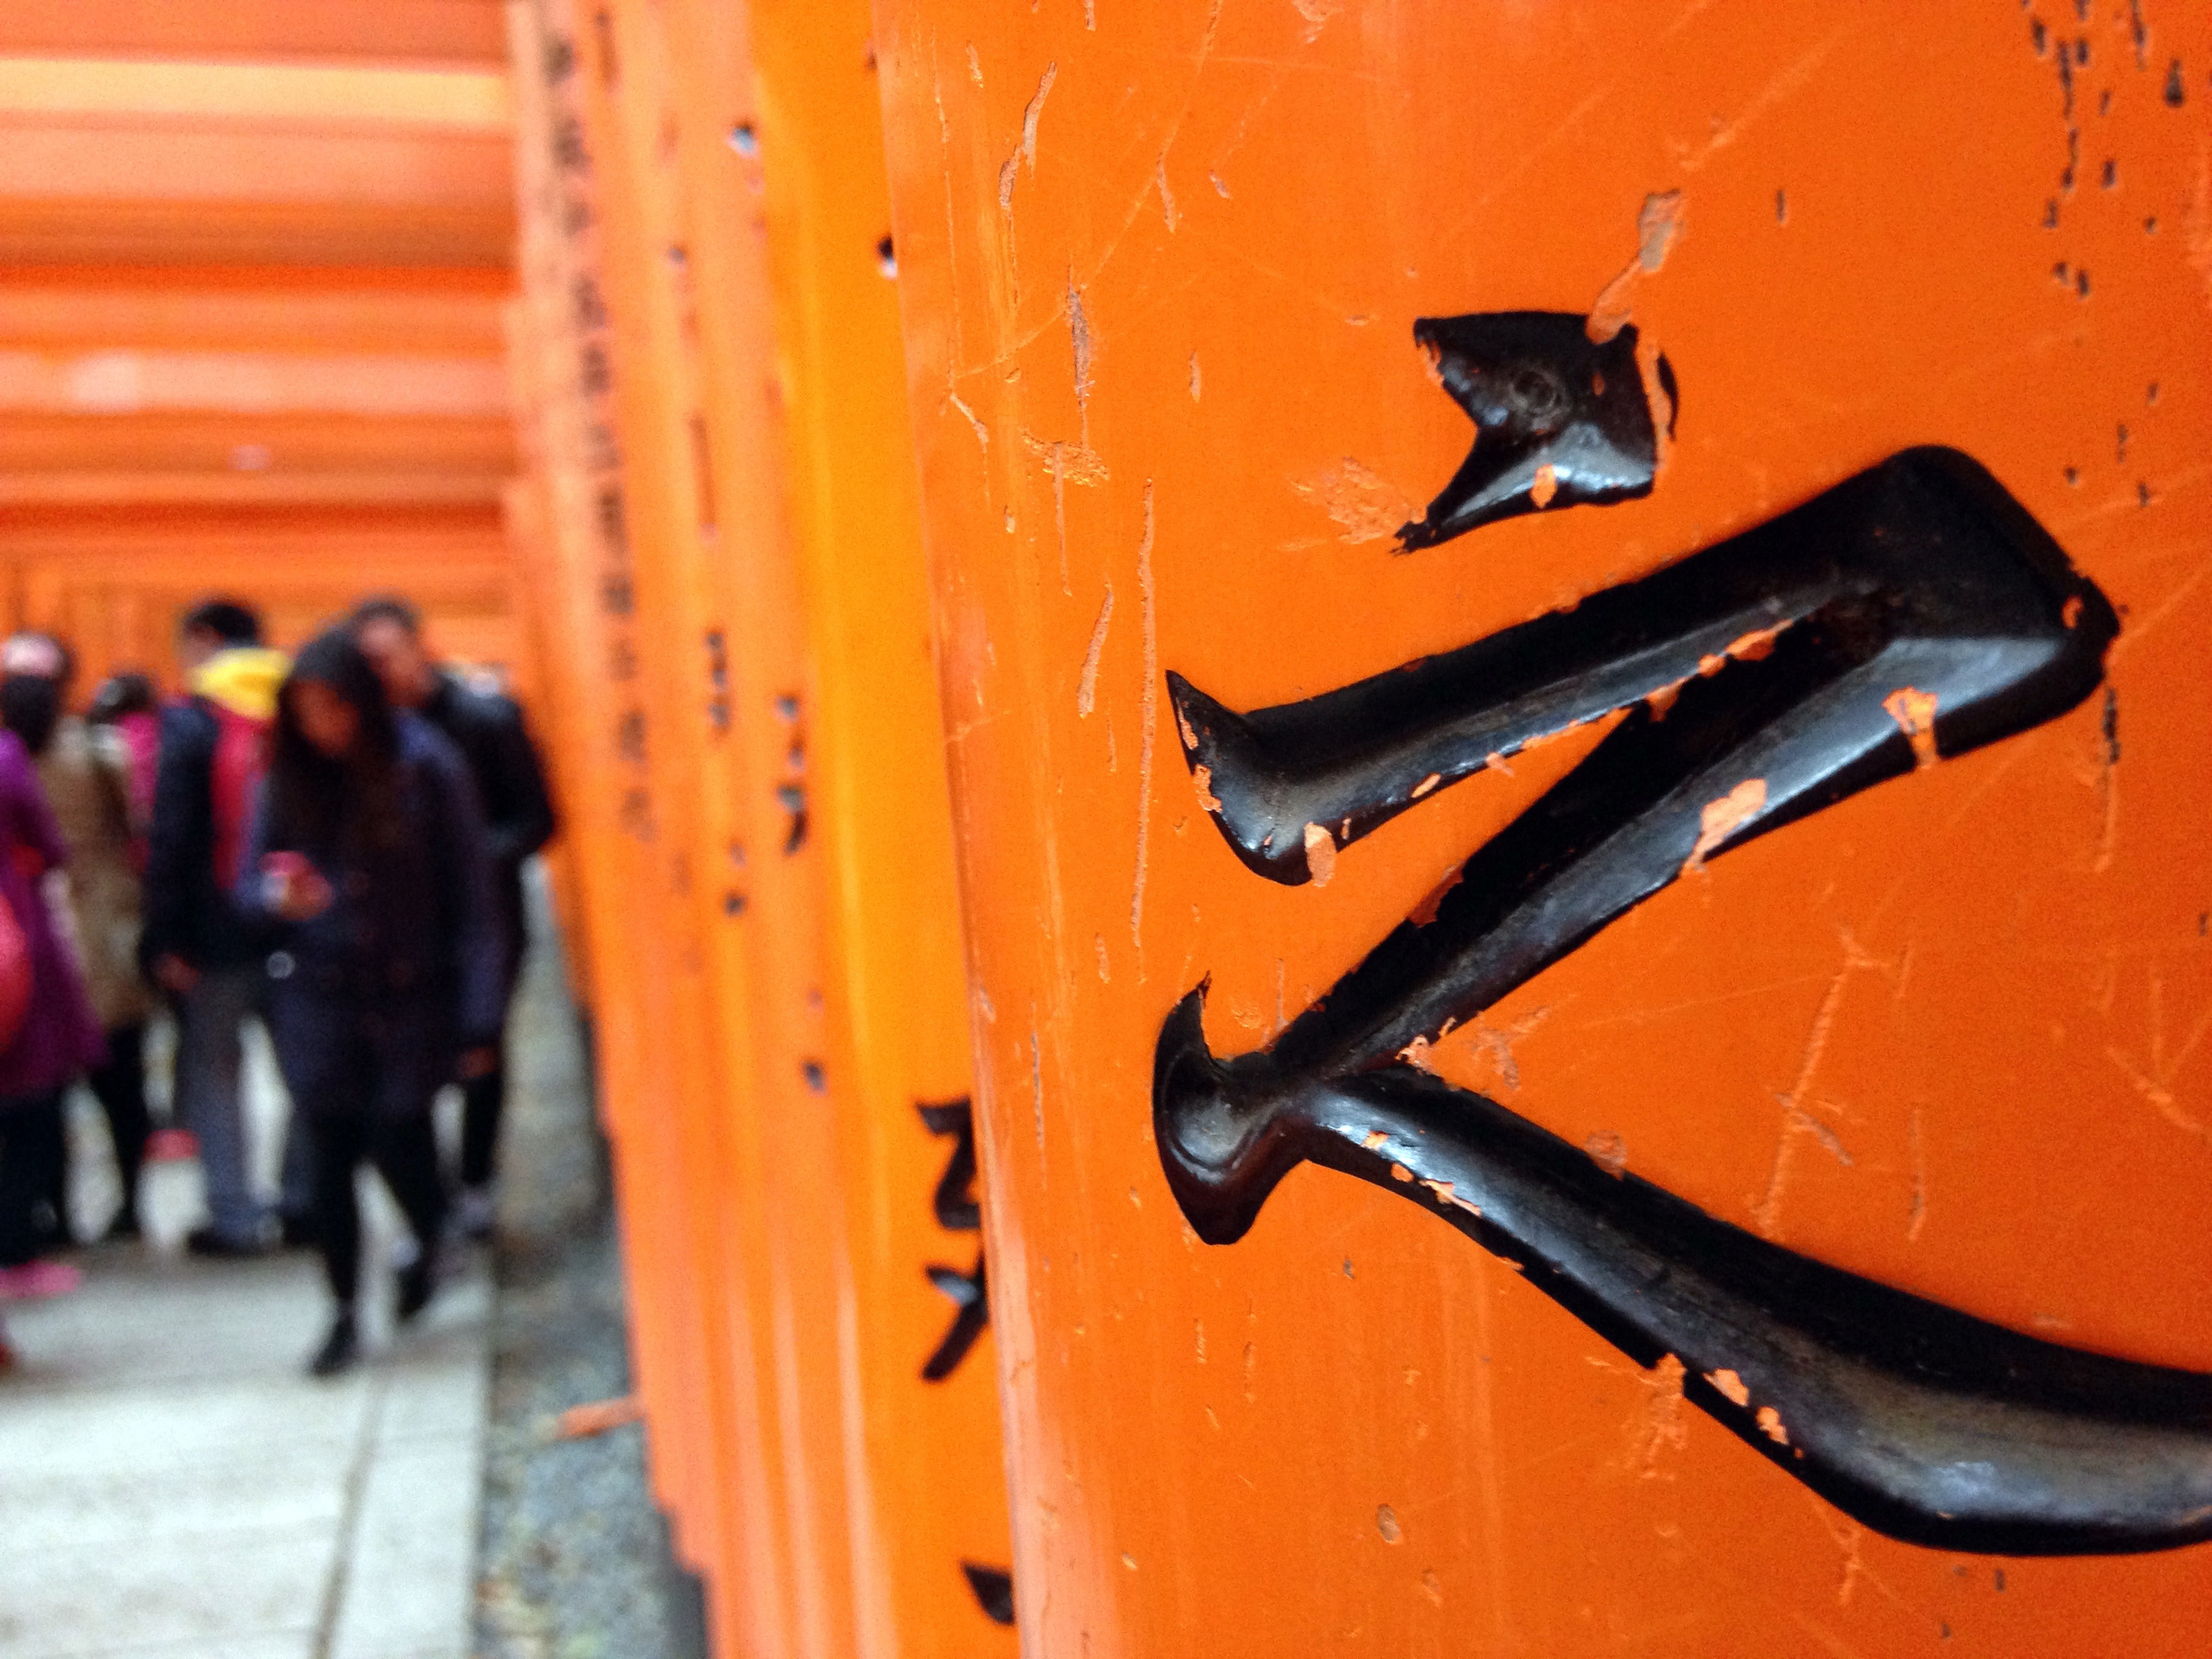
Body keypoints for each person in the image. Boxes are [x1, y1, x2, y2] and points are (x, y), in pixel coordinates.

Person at [240, 631, 503, 1376]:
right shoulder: (284, 780)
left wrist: (481, 1013)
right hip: (316, 994)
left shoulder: (425, 768)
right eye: (308, 710)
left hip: (408, 994)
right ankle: (342, 1309)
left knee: (400, 1133)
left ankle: (429, 1236)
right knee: (328, 1153)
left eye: (333, 706)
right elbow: (246, 890)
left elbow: (472, 899)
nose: (323, 724)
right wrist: (277, 899)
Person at [352, 596, 555, 1238]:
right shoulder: (364, 736)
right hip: (401, 932)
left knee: (481, 1047)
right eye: (369, 660)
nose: (381, 671)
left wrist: (466, 857)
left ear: (421, 646)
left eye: (389, 654)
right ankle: (434, 1202)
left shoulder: (483, 719)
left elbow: (538, 819)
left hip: (484, 914)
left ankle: (475, 1178)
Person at [141, 599, 311, 1255]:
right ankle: (303, 1198)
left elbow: (172, 835)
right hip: (298, 926)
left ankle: (234, 1216)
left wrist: (166, 935)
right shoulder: (301, 701)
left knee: (216, 1072)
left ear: (204, 639)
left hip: (214, 934)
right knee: (307, 1067)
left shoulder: (191, 719)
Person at [1, 636, 154, 1240]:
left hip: (49, 932)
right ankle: (118, 1205)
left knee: (46, 1084)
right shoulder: (97, 750)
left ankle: (53, 1214)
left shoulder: (83, 752)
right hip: (92, 928)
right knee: (113, 1079)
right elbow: (135, 833)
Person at [0, 683, 104, 1354]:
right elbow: (53, 845)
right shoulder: (7, 758)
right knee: (30, 1107)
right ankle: (18, 1245)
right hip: (13, 943)